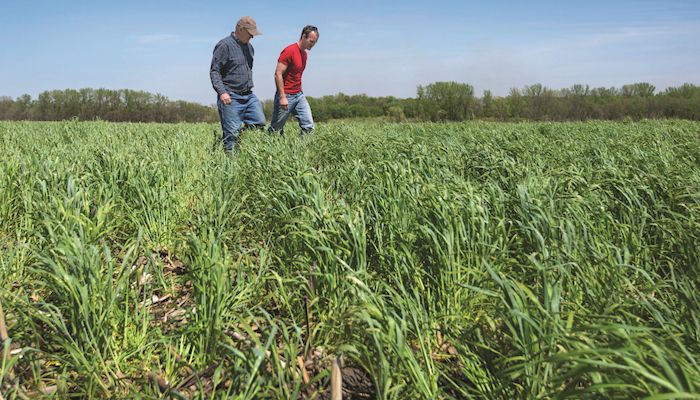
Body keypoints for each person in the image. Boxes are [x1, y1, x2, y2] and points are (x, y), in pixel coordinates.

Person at [210, 16, 266, 155]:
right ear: (240, 29)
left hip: (248, 94)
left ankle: (238, 134)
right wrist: (222, 92)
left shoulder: (250, 48)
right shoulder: (224, 45)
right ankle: (231, 169)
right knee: (231, 136)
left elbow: (249, 68)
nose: (253, 37)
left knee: (259, 122)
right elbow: (215, 71)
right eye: (250, 33)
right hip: (230, 95)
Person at [268, 25, 319, 136]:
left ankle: (303, 151)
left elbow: (296, 75)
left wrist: (299, 91)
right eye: (311, 42)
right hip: (286, 96)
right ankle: (269, 150)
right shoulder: (289, 51)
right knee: (276, 130)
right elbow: (278, 74)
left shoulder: (304, 54)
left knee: (308, 126)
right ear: (303, 37)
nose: (313, 45)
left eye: (315, 43)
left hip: (299, 95)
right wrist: (282, 97)